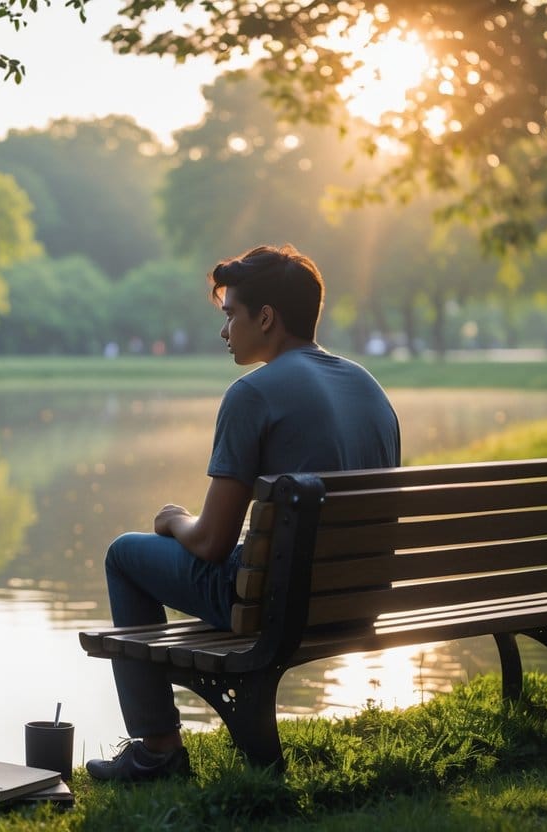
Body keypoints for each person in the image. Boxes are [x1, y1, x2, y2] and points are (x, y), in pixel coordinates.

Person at [86, 244, 401, 782]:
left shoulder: (252, 394)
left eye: (230, 314)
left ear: (266, 317)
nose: (224, 330)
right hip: (357, 599)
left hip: (276, 606)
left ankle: (158, 752)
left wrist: (172, 520)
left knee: (124, 555)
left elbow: (209, 543)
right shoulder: (367, 386)